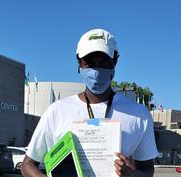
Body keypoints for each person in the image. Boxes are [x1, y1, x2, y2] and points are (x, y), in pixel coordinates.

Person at [21, 28, 158, 177]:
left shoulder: (139, 114)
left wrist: (132, 174)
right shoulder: (57, 111)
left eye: (104, 62)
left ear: (115, 61)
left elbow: (147, 170)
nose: (96, 70)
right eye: (90, 63)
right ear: (79, 63)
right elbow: (27, 165)